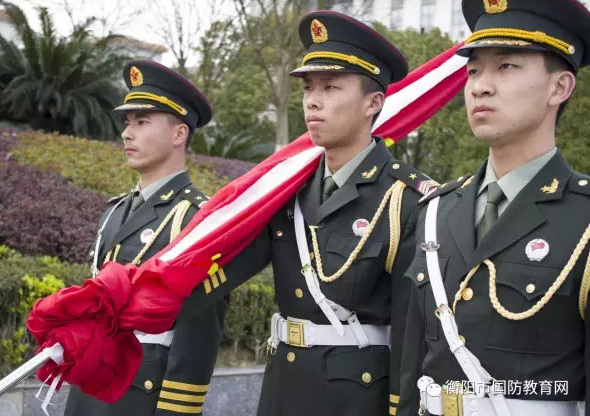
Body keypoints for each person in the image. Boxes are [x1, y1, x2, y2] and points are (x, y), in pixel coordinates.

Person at [175, 10, 438, 416]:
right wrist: (136, 306)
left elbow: (410, 336)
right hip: (282, 389)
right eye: (308, 87)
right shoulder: (288, 189)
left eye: (330, 87)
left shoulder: (405, 199)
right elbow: (223, 267)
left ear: (373, 102)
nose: (313, 100)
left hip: (355, 400)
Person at [398, 1, 590, 415]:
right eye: (473, 71)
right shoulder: (436, 211)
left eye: (506, 66)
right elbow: (413, 364)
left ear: (560, 87)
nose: (480, 87)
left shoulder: (584, 219)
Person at [64, 60, 226, 416]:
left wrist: (177, 409)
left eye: (142, 122)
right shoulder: (116, 210)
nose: (127, 133)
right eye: (127, 122)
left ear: (179, 134)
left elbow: (199, 331)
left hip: (141, 393)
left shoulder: (196, 219)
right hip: (92, 385)